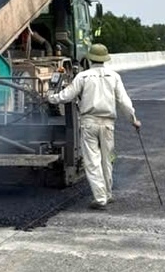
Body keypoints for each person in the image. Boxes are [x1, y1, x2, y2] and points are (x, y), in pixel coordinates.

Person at [47, 44, 141, 210]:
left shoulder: (83, 77)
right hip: (108, 124)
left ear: (90, 59)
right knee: (107, 159)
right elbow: (124, 102)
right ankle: (108, 194)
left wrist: (51, 98)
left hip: (89, 122)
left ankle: (100, 198)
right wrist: (133, 119)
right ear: (105, 59)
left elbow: (67, 95)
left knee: (92, 161)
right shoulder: (114, 77)